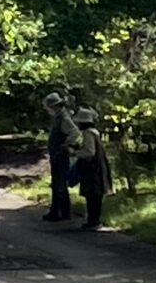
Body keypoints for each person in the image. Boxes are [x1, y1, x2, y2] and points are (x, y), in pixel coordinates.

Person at [73, 107, 113, 232]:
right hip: (98, 166)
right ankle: (93, 219)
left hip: (92, 168)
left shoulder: (88, 133)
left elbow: (90, 152)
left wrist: (75, 153)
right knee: (96, 195)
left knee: (92, 195)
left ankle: (93, 220)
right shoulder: (95, 132)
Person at [42, 93, 81, 223]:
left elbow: (74, 132)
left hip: (60, 155)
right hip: (56, 154)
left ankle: (58, 212)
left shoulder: (64, 118)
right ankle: (63, 211)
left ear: (54, 106)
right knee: (58, 182)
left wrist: (65, 144)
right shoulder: (59, 117)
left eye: (49, 108)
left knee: (59, 183)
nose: (48, 111)